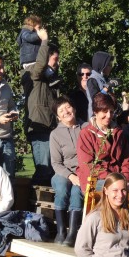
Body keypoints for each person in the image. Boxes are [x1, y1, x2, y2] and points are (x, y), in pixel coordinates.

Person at [76, 93, 129, 192]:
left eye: (111, 112)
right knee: (113, 192)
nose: (108, 115)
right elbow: (87, 165)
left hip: (118, 179)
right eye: (104, 111)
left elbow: (127, 160)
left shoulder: (119, 133)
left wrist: (126, 178)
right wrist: (112, 179)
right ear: (95, 112)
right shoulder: (86, 134)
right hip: (95, 180)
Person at [26, 27, 61, 186]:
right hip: (40, 129)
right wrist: (44, 41)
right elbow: (40, 66)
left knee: (51, 171)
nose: (58, 63)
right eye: (55, 59)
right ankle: (35, 207)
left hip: (50, 129)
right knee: (43, 170)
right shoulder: (35, 73)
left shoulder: (52, 81)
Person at [50, 96, 84, 247]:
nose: (66, 112)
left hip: (83, 171)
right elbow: (56, 163)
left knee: (77, 192)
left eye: (68, 107)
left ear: (74, 109)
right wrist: (70, 176)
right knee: (62, 188)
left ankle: (73, 233)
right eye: (61, 110)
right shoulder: (55, 135)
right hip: (63, 172)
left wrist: (80, 176)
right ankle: (61, 230)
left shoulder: (86, 127)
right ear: (58, 116)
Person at [86, 51, 120, 119]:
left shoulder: (104, 79)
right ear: (101, 65)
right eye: (109, 65)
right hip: (97, 118)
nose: (111, 68)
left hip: (108, 116)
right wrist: (107, 87)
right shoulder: (92, 80)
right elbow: (96, 100)